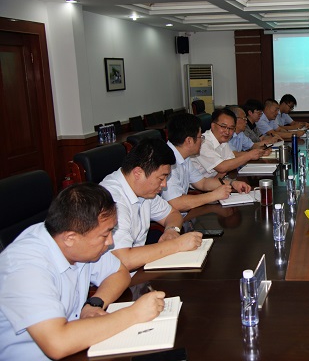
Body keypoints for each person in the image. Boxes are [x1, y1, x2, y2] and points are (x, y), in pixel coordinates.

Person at [0, 183, 166, 360]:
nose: (110, 242)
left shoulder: (75, 240)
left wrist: (94, 304)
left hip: (78, 345)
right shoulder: (25, 268)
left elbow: (119, 273)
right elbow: (57, 344)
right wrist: (134, 314)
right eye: (105, 235)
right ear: (70, 238)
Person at [100, 138, 203, 271]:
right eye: (161, 178)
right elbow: (123, 260)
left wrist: (171, 230)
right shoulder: (113, 199)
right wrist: (176, 245)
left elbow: (172, 214)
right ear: (138, 173)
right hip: (120, 276)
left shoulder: (144, 190)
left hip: (140, 268)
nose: (164, 184)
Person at [161, 113, 251, 213]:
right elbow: (176, 203)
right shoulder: (166, 162)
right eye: (200, 137)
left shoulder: (184, 157)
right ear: (189, 140)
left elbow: (203, 183)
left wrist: (232, 183)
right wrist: (213, 195)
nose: (202, 141)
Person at [191, 108, 268, 177]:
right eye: (223, 127)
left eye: (231, 128)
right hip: (201, 186)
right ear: (213, 126)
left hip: (216, 181)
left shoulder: (223, 141)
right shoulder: (203, 143)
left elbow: (230, 162)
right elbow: (222, 167)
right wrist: (249, 155)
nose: (227, 132)